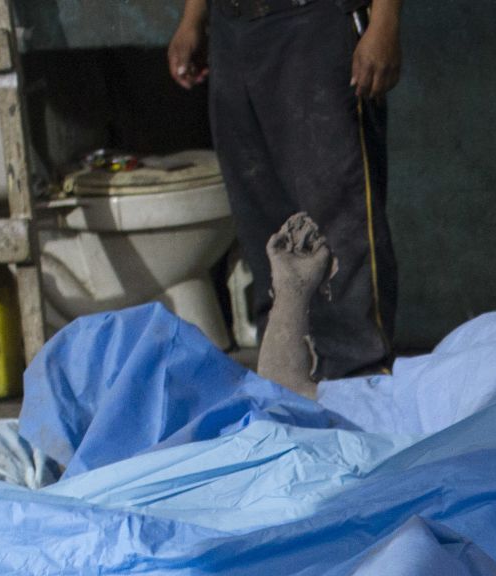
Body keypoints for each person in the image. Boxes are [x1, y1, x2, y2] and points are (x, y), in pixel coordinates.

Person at [167, 0, 400, 378]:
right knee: (261, 216)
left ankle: (359, 379)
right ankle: (286, 376)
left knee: (339, 214)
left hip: (315, 21)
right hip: (233, 28)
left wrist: (384, 22)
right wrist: (194, 17)